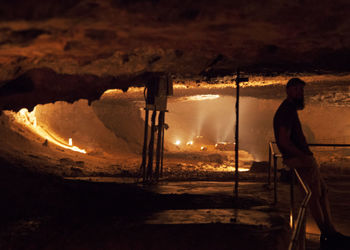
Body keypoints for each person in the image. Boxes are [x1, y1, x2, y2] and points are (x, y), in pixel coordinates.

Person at [273, 78, 349, 250]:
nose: (301, 93)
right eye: (297, 90)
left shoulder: (290, 110)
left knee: (322, 192)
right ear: (289, 91)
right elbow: (284, 141)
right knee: (314, 196)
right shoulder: (286, 111)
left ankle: (330, 232)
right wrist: (303, 156)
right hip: (301, 160)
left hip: (303, 159)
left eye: (302, 90)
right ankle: (329, 235)